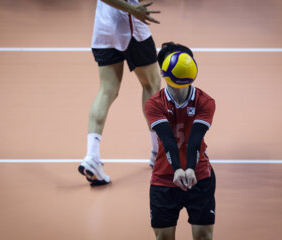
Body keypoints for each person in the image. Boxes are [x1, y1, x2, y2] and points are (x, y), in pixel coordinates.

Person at [78, 0, 162, 185]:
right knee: (152, 84)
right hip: (128, 22)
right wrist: (132, 9)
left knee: (107, 90)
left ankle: (91, 157)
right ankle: (158, 152)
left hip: (103, 25)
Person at [145, 42, 216, 240]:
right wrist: (177, 168)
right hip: (164, 178)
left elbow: (195, 140)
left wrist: (190, 168)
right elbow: (167, 140)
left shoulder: (205, 102)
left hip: (200, 176)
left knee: (203, 237)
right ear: (163, 71)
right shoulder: (154, 104)